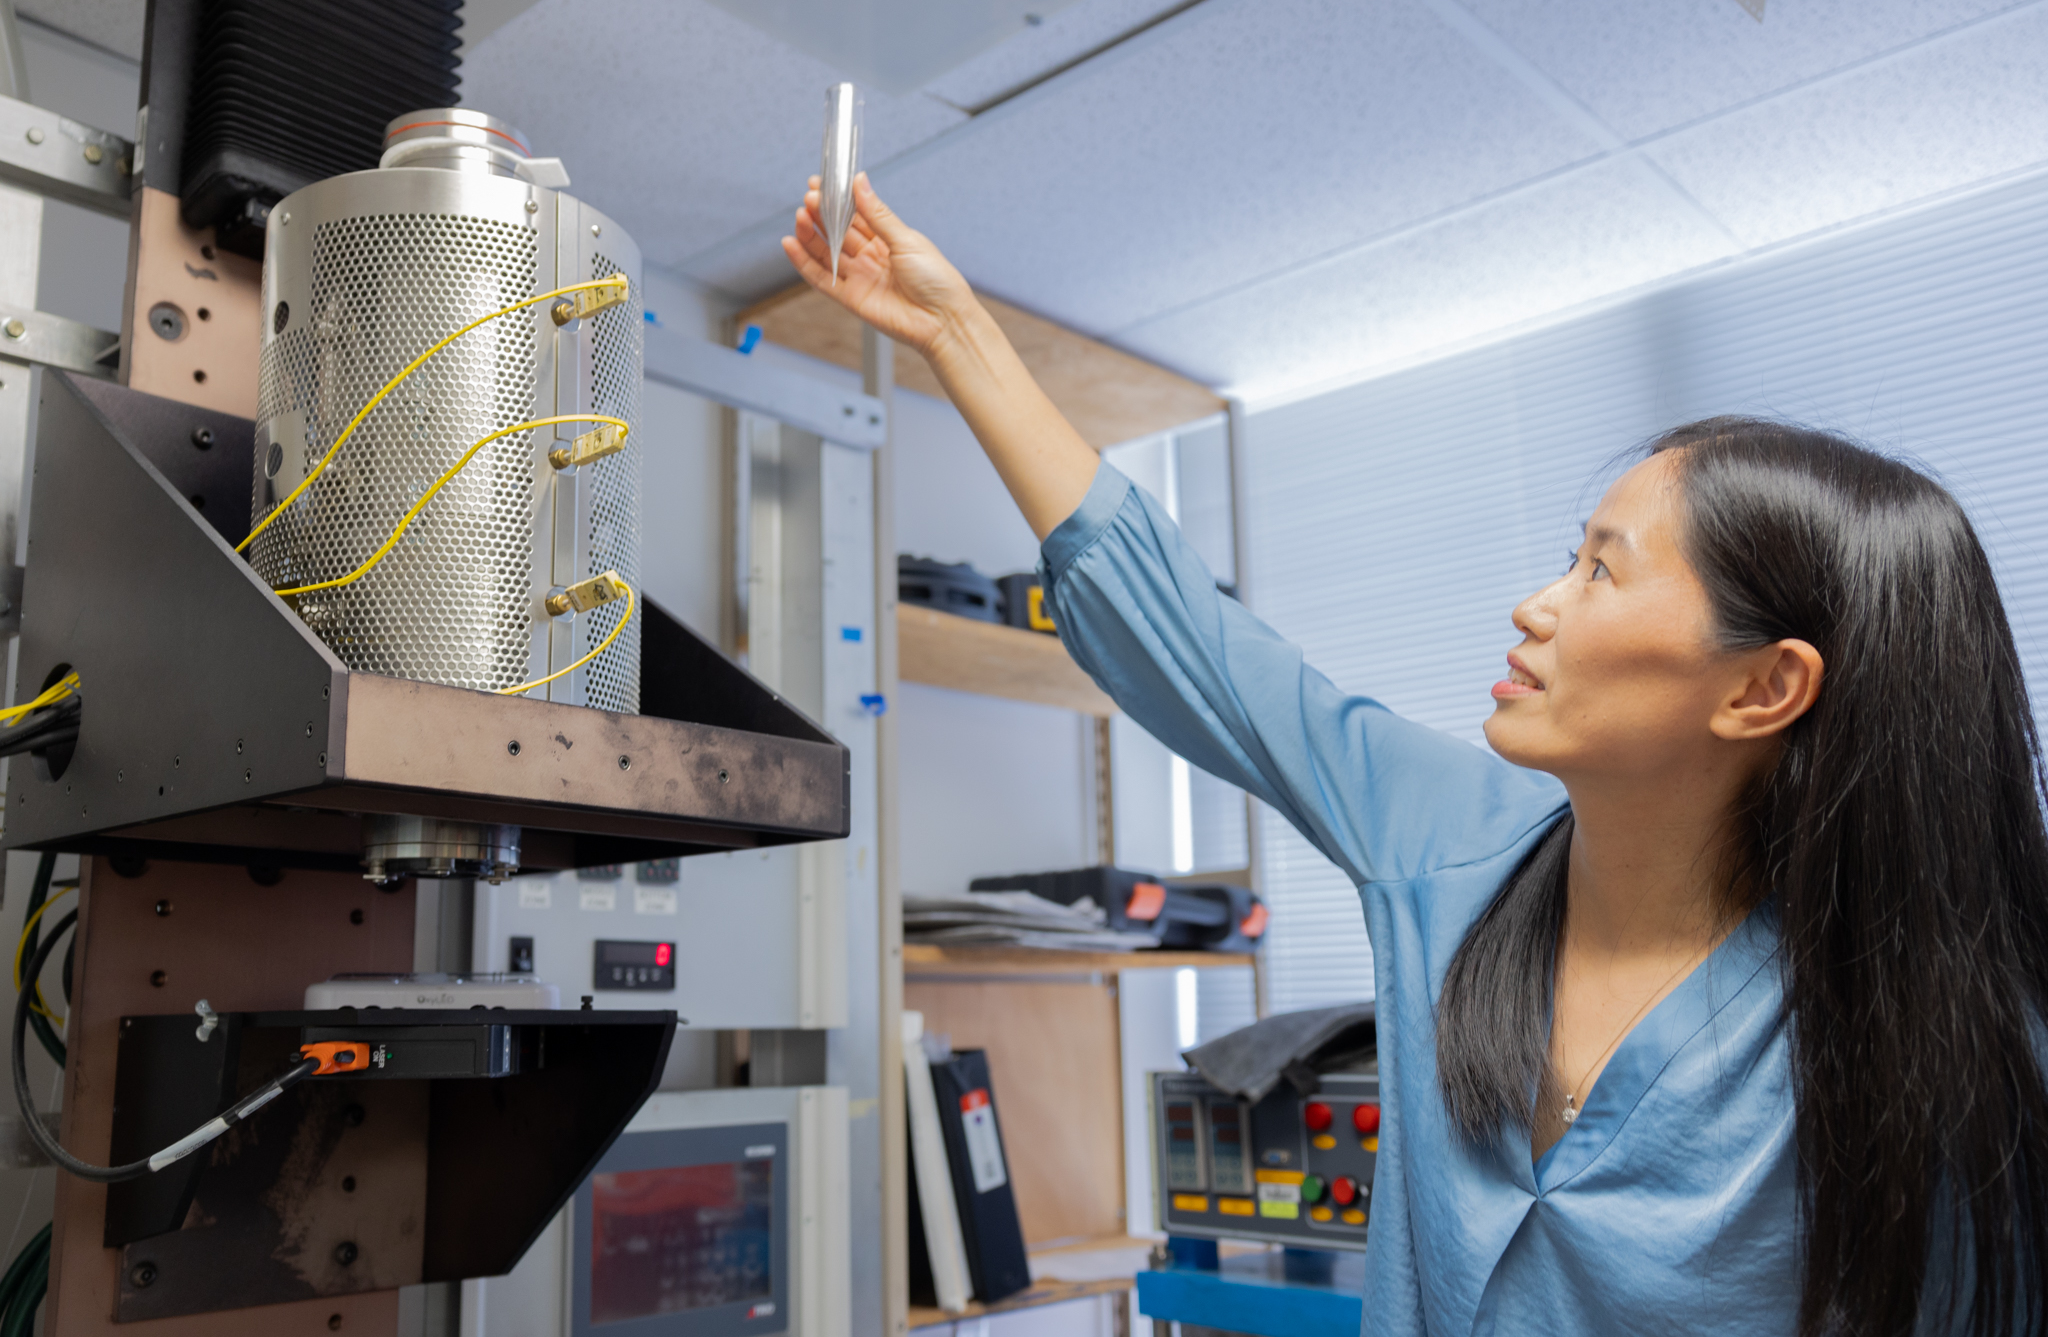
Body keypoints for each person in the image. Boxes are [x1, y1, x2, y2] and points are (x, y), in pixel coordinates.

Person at [784, 176, 2048, 1336]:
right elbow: (1206, 654)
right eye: (1568, 555)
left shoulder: (1922, 1028)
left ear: (1763, 687)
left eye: (1600, 570)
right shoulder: (1450, 840)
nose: (1536, 604)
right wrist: (953, 336)